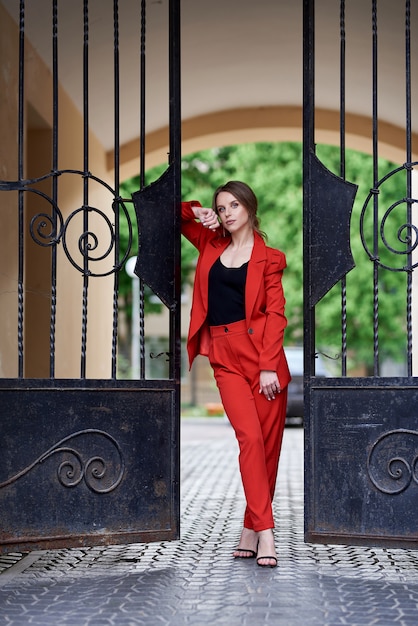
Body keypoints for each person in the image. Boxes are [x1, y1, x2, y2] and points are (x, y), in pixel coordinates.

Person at [181, 180, 290, 568]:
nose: (226, 213)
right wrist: (197, 211)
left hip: (263, 360)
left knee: (268, 449)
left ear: (248, 207)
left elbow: (276, 315)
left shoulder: (271, 258)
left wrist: (266, 366)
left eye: (232, 206)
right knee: (248, 439)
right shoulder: (210, 243)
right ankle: (267, 534)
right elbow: (171, 213)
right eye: (220, 207)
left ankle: (249, 529)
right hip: (224, 356)